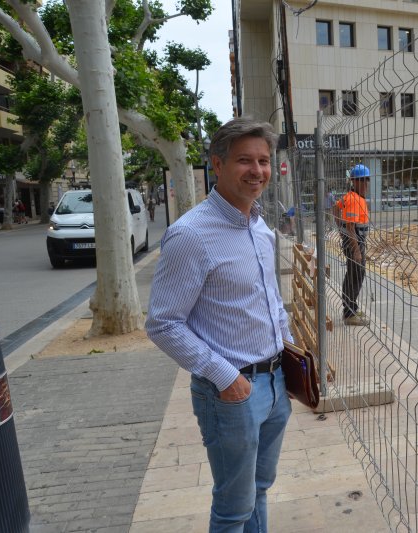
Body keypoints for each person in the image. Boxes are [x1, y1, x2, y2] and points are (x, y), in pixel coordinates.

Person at [146, 117, 293, 532]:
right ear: (217, 164)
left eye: (263, 160)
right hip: (231, 393)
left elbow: (272, 302)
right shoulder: (191, 235)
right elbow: (163, 324)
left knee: (260, 488)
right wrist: (227, 378)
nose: (257, 171)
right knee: (233, 506)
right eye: (245, 160)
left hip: (275, 382)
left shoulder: (260, 226)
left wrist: (292, 352)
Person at [335, 164, 371, 326]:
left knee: (353, 274)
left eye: (367, 180)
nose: (366, 184)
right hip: (354, 243)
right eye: (362, 181)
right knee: (356, 275)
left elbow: (334, 208)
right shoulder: (355, 200)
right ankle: (349, 313)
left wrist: (339, 229)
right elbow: (350, 226)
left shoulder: (348, 197)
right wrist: (356, 250)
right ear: (354, 182)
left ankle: (352, 308)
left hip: (353, 241)